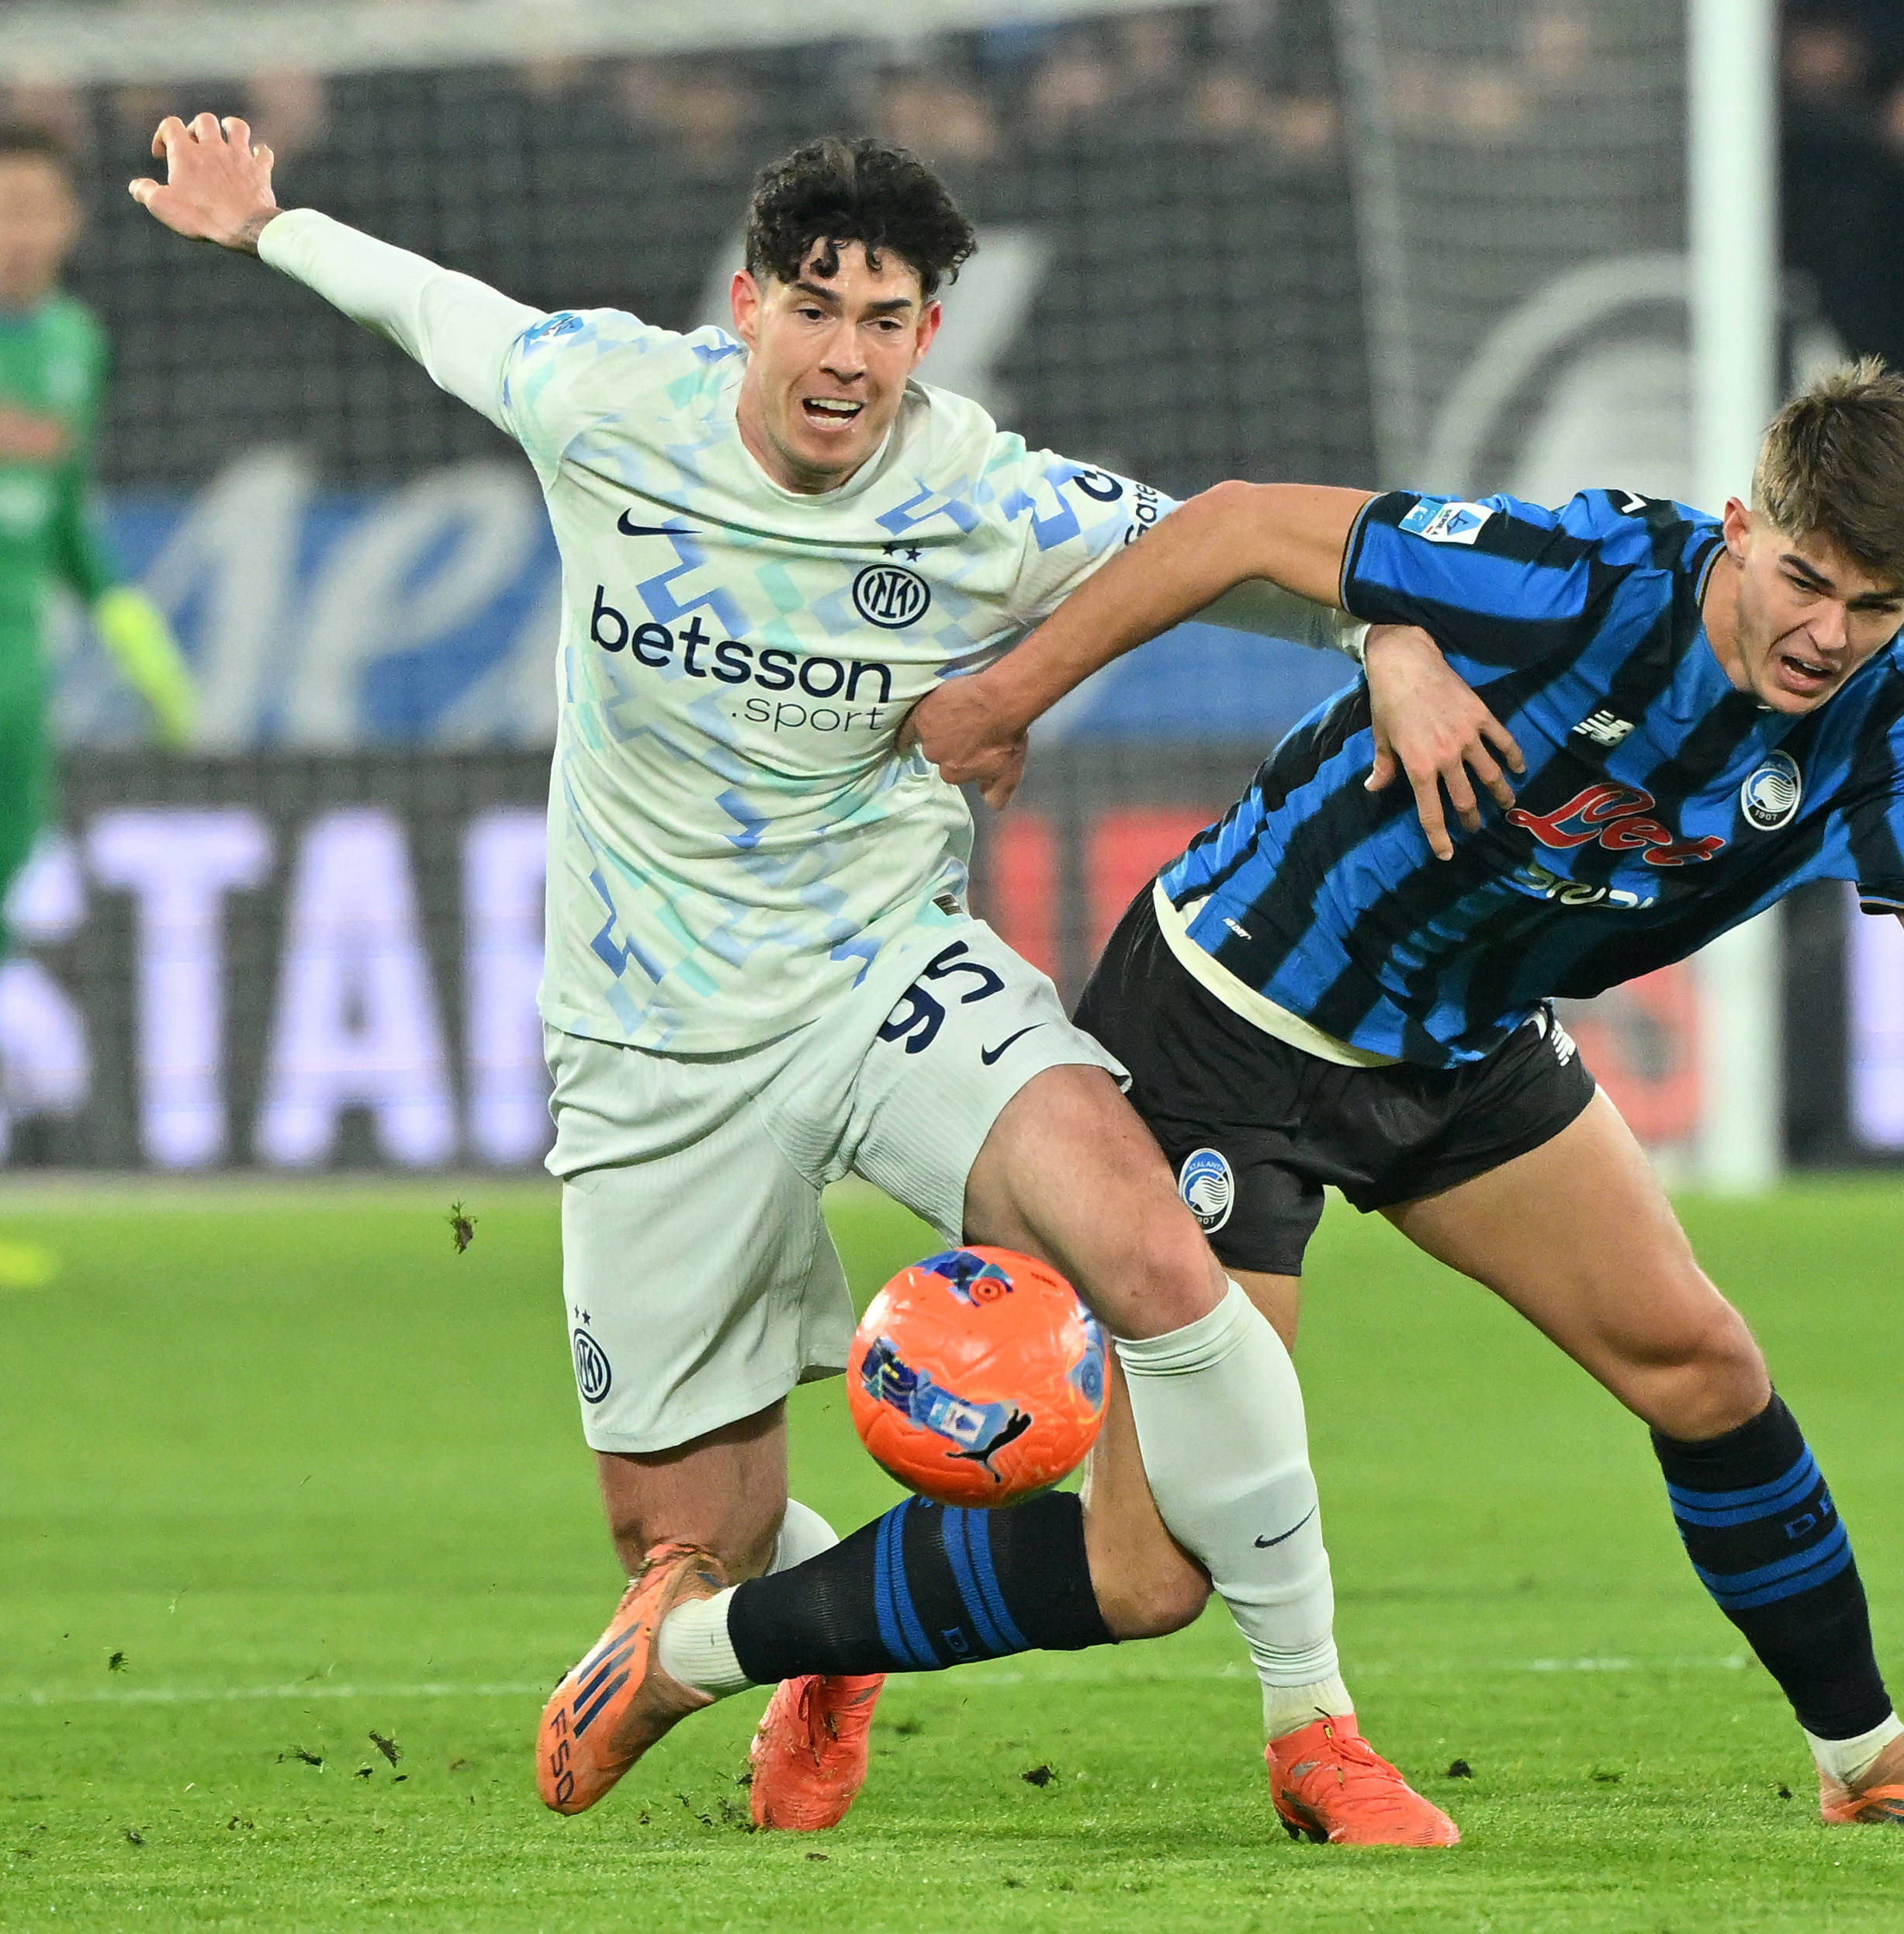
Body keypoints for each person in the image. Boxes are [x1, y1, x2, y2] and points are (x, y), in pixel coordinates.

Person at [130, 115, 1473, 1846]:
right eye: (817, 309)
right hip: (645, 1030)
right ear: (748, 306)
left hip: (882, 971)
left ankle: (1313, 1724)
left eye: (886, 320)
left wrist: (1384, 636)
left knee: (1155, 1254)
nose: (846, 355)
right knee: (683, 1546)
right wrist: (268, 224)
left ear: (927, 334)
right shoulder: (611, 403)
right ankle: (821, 1639)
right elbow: (437, 307)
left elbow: (1230, 548)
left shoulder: (979, 492)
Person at [908, 360, 1904, 1828]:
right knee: (1153, 1564)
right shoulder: (1590, 575)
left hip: (1462, 1042)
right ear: (1742, 528)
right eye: (1807, 581)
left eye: (1878, 605)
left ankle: (1863, 1756)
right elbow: (1232, 524)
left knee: (1701, 1366)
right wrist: (1005, 697)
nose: (1828, 635)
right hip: (1236, 1014)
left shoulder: (1890, 706)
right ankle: (770, 1645)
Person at [0, 123, 195, 948]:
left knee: (13, 859)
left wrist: (131, 629)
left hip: (19, 673)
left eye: (32, 209)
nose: (16, 233)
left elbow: (66, 513)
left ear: (71, 221)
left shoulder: (76, 345)